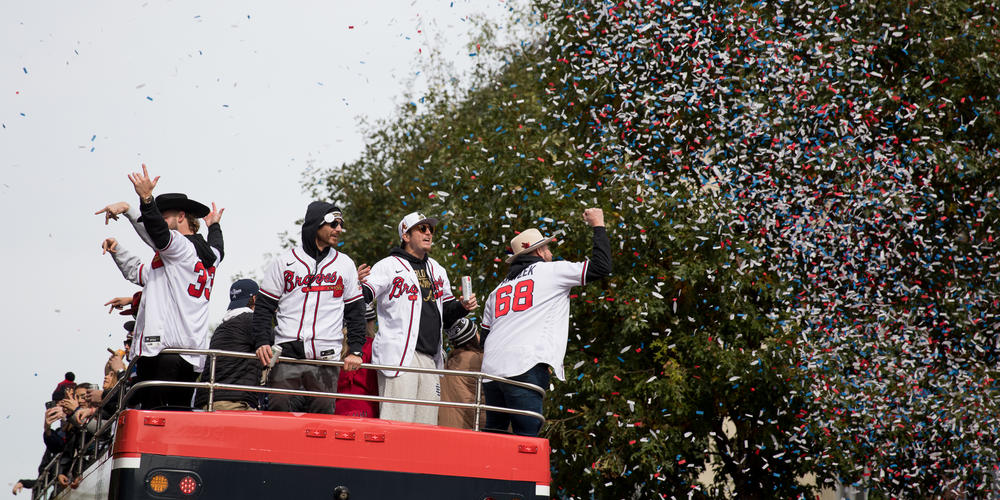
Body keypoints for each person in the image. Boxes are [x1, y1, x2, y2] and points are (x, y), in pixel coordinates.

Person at [96, 164, 224, 409]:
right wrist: (118, 251)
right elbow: (142, 273)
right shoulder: (207, 255)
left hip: (166, 352)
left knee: (155, 424)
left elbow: (157, 234)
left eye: (165, 216)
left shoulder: (180, 247)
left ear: (182, 216)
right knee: (175, 422)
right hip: (188, 353)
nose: (160, 222)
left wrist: (139, 203)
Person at [481, 208, 612, 436]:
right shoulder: (551, 271)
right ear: (540, 251)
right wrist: (598, 225)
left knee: (494, 437)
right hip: (524, 364)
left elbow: (484, 338)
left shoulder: (497, 289)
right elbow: (601, 267)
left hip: (491, 370)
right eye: (547, 247)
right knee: (527, 439)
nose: (550, 251)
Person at [361, 212, 477, 425]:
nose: (428, 233)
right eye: (421, 229)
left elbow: (447, 313)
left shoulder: (437, 269)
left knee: (426, 426)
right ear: (405, 236)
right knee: (397, 424)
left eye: (430, 229)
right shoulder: (388, 265)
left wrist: (462, 307)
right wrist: (355, 284)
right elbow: (362, 296)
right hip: (400, 356)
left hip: (430, 357)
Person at [252, 202, 365, 414]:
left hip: (326, 358)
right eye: (333, 223)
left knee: (322, 421)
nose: (339, 229)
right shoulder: (284, 262)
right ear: (315, 224)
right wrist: (262, 341)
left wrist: (356, 349)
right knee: (278, 414)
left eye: (341, 224)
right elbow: (264, 307)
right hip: (287, 355)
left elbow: (356, 311)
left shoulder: (345, 264)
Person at [194, 279, 262, 411]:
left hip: (208, 400)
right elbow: (279, 342)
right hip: (233, 402)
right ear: (254, 298)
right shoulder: (250, 320)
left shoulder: (224, 326)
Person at [438, 318, 486, 429]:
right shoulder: (478, 360)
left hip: (445, 426)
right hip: (468, 428)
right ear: (473, 336)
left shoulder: (447, 364)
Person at [334, 301, 380, 418]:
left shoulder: (333, 346)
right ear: (370, 323)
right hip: (368, 412)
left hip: (335, 411)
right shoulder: (374, 346)